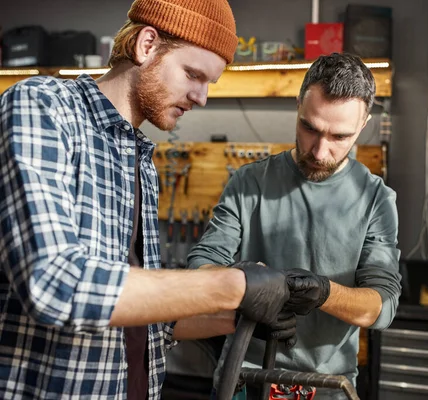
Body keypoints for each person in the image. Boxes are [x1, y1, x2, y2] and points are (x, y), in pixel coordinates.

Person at [0, 1, 291, 399]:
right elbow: (55, 283)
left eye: (210, 83)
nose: (202, 97)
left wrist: (243, 313)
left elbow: (151, 319)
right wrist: (230, 285)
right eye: (193, 74)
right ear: (147, 45)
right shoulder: (44, 107)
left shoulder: (141, 160)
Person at [185, 52, 402, 399]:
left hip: (327, 386)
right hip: (245, 378)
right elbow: (201, 266)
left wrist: (325, 292)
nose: (319, 151)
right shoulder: (248, 183)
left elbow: (380, 306)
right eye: (310, 128)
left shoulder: (376, 199)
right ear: (298, 105)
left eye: (340, 137)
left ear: (363, 125)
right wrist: (251, 294)